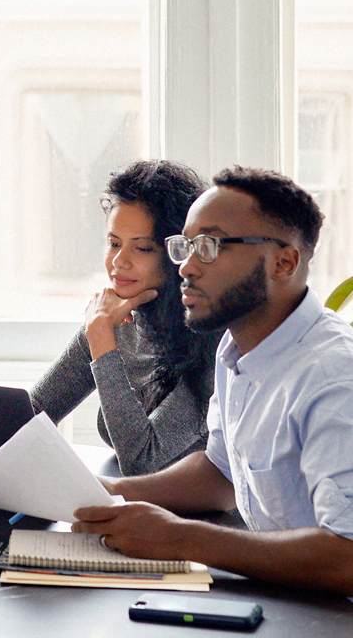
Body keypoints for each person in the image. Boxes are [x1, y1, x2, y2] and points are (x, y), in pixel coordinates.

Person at [73, 166, 353, 594]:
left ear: (284, 261)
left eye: (209, 247)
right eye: (184, 246)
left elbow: (346, 555)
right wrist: (113, 492)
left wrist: (182, 539)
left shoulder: (333, 378)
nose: (185, 268)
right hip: (282, 599)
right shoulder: (235, 349)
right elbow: (221, 473)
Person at [30, 161, 219, 475]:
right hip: (134, 507)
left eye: (143, 248)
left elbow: (141, 462)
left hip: (200, 519)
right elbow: (32, 415)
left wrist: (102, 339)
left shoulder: (211, 340)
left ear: (178, 253)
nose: (119, 261)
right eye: (114, 243)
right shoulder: (112, 320)